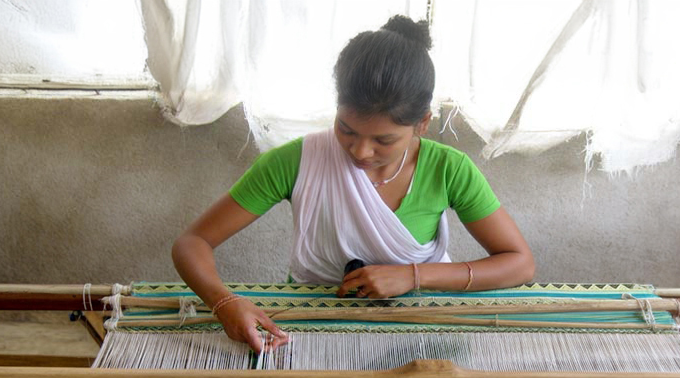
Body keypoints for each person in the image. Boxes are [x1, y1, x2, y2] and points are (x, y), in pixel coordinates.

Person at [172, 15, 535, 352]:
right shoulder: (296, 162)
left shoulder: (448, 169)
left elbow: (519, 263)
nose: (360, 151)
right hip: (311, 329)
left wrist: (413, 276)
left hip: (423, 326)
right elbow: (192, 243)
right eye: (346, 130)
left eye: (383, 140)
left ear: (422, 123)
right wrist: (223, 302)